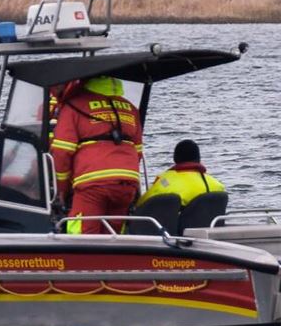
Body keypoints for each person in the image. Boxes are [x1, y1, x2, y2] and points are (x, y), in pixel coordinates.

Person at [51, 76, 143, 234]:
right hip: (127, 182)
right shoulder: (130, 108)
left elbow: (62, 152)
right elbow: (138, 151)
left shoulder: (74, 106)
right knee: (114, 236)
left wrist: (61, 189)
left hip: (92, 183)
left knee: (82, 232)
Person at [135, 139, 225, 208]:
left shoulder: (165, 182)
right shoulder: (218, 186)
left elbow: (141, 204)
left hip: (176, 231)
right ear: (198, 159)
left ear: (175, 158)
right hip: (209, 227)